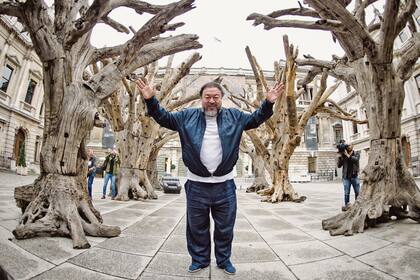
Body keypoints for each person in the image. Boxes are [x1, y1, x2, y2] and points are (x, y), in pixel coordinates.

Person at [136, 78, 283, 275]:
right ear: (201, 99)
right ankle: (199, 260)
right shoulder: (186, 116)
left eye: (216, 97)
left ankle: (224, 260)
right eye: (207, 97)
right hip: (196, 186)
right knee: (197, 227)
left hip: (225, 186)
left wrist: (269, 102)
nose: (212, 101)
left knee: (225, 228)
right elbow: (163, 118)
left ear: (221, 98)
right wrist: (150, 100)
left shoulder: (235, 116)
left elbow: (256, 118)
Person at [337, 143, 360, 211]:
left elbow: (355, 160)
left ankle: (357, 206)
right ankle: (347, 206)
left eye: (350, 145)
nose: (348, 147)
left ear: (353, 146)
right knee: (346, 193)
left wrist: (347, 155)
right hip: (346, 177)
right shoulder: (343, 155)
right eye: (347, 146)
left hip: (354, 176)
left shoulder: (356, 153)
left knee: (357, 192)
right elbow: (339, 165)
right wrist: (341, 156)